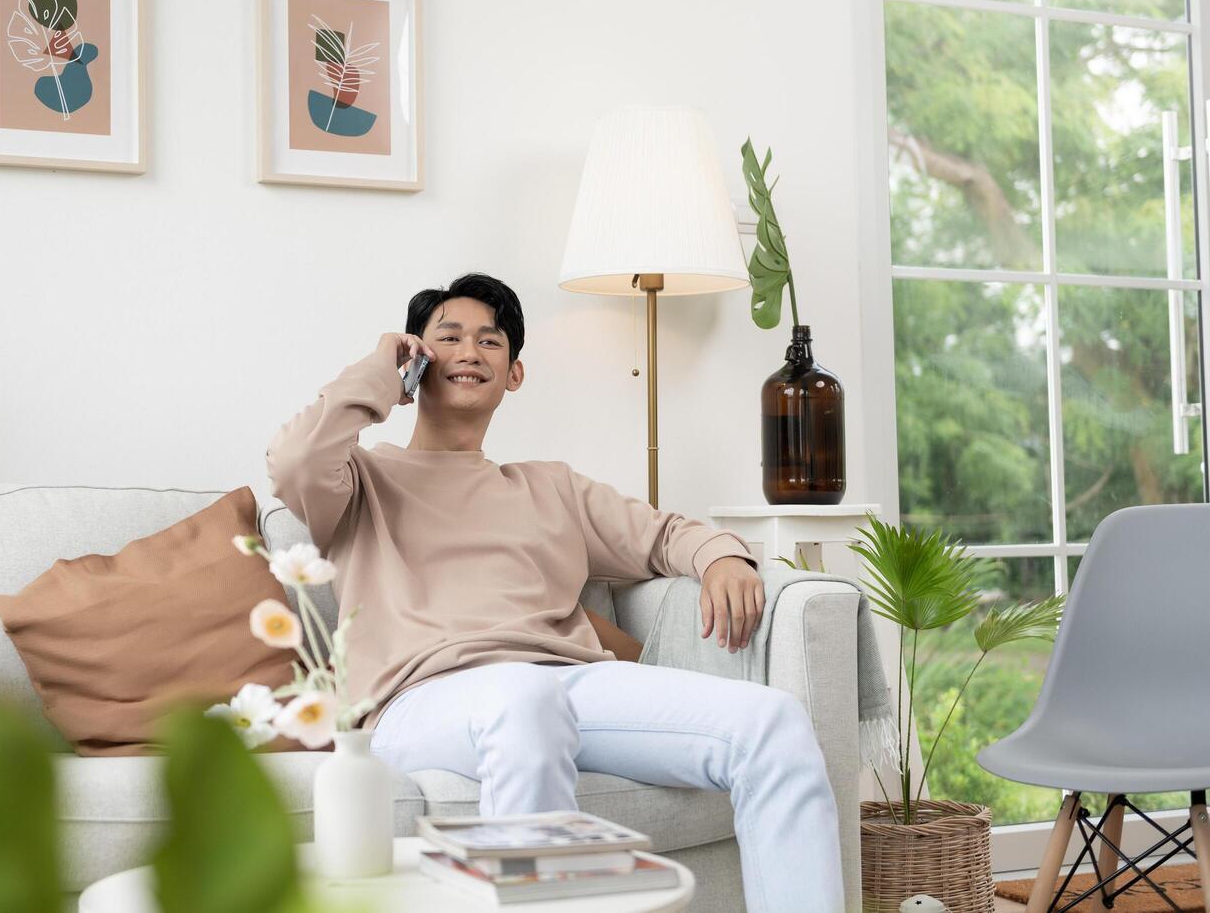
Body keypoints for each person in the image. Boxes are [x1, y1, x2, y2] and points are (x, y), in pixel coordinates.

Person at [266, 272, 842, 912]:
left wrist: (722, 557)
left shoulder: (551, 488)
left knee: (773, 723)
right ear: (417, 359)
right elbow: (293, 460)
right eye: (447, 337)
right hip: (419, 699)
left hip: (563, 685)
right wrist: (380, 370)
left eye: (490, 341)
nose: (469, 351)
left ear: (513, 374)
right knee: (525, 695)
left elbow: (663, 535)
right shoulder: (360, 481)